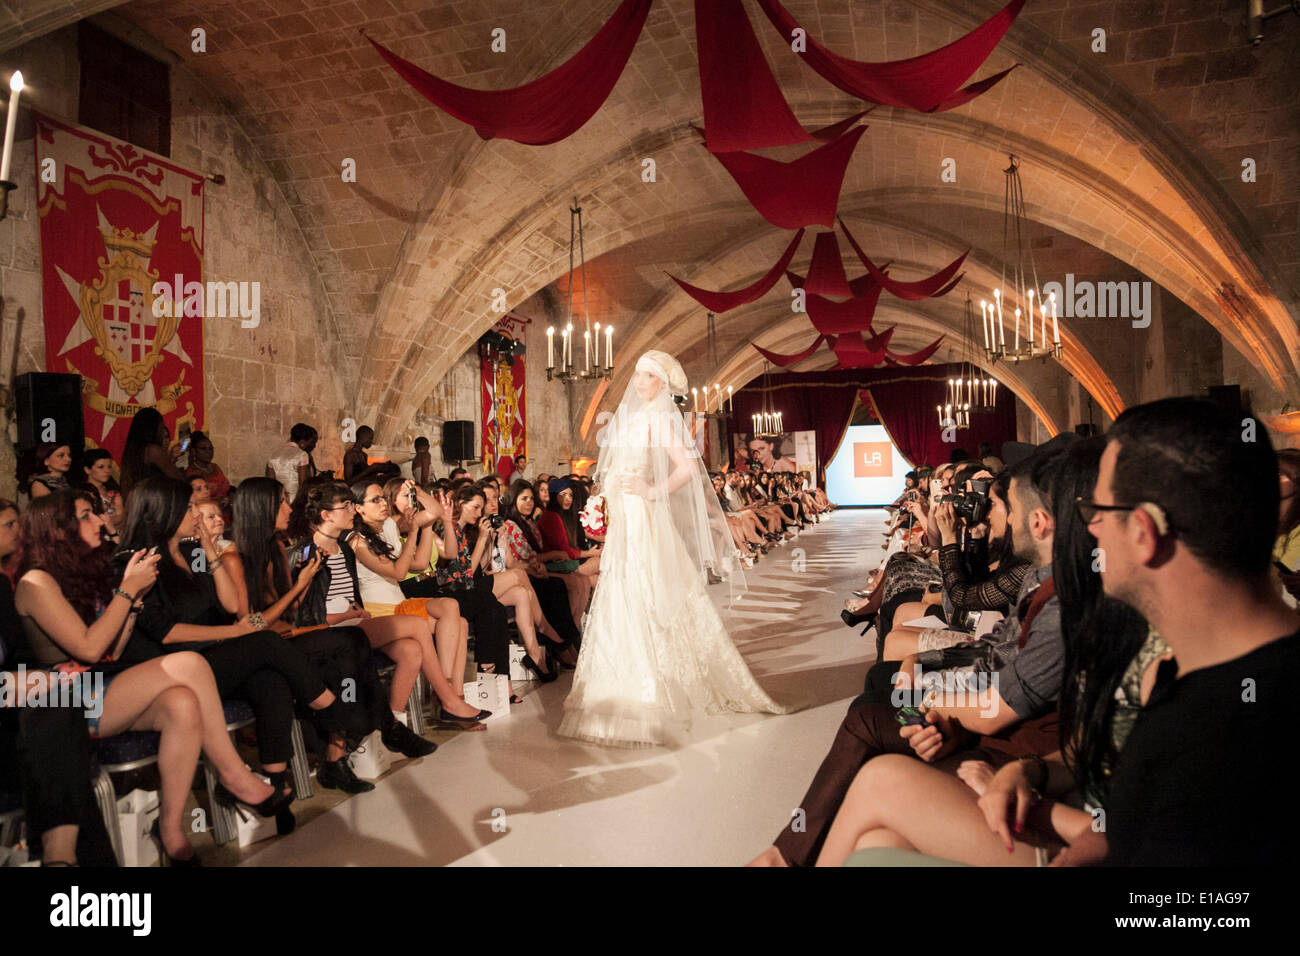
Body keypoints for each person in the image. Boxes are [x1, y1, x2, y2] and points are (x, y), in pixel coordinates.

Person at [12, 491, 291, 863]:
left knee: (182, 704)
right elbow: (89, 650)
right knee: (189, 665)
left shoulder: (79, 573)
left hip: (101, 683)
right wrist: (127, 591)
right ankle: (234, 774)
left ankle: (171, 829)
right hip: (62, 702)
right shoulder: (35, 582)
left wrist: (133, 601)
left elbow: (113, 647)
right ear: (58, 531)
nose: (99, 520)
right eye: (85, 516)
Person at [1087, 397, 1300, 865]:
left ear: (1144, 531)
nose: (1093, 526)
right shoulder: (1191, 683)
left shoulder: (1214, 743)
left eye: (1099, 507)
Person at [558, 350, 796, 748]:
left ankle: (654, 689)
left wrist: (651, 490)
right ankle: (614, 688)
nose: (638, 383)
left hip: (644, 517)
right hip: (624, 517)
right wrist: (602, 502)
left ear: (662, 385)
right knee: (621, 593)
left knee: (649, 590)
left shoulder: (660, 419)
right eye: (637, 376)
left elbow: (686, 468)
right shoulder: (633, 418)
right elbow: (615, 470)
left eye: (647, 377)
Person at [120, 408, 186, 499]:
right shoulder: (153, 450)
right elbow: (178, 479)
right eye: (161, 426)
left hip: (137, 501)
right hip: (154, 501)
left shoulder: (132, 450)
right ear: (154, 428)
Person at [184, 431, 231, 523]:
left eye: (210, 448)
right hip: (206, 518)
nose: (208, 452)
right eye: (203, 449)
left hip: (225, 515)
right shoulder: (191, 474)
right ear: (194, 451)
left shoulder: (215, 467)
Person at [266, 423, 318, 500]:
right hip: (295, 500)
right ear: (302, 443)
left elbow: (270, 485)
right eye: (312, 442)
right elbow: (303, 485)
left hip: (279, 500)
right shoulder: (302, 455)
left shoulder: (274, 455)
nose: (314, 446)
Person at [78, 449, 124, 536]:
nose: (107, 471)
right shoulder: (82, 494)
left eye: (109, 467)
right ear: (87, 470)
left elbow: (122, 515)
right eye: (101, 467)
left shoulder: (113, 491)